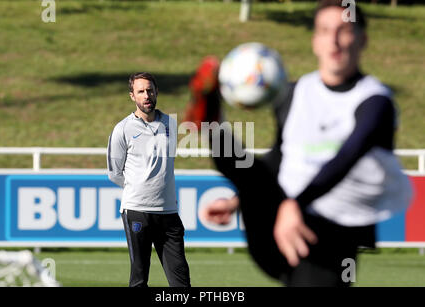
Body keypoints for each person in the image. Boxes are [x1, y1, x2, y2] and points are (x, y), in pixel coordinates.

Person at [184, 0, 412, 287]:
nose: (334, 40)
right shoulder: (295, 93)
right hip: (278, 223)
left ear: (362, 39)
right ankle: (211, 122)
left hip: (331, 237)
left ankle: (212, 124)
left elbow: (347, 158)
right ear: (315, 41)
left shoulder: (376, 101)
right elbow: (279, 159)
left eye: (344, 30)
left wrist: (295, 205)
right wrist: (237, 201)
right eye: (325, 30)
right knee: (252, 174)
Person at [107, 72, 190, 287]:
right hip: (137, 211)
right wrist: (140, 189)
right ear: (132, 96)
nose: (146, 95)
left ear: (156, 92)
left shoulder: (171, 124)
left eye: (150, 90)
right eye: (141, 91)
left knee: (181, 281)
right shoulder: (122, 129)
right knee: (139, 279)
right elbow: (114, 173)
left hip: (169, 212)